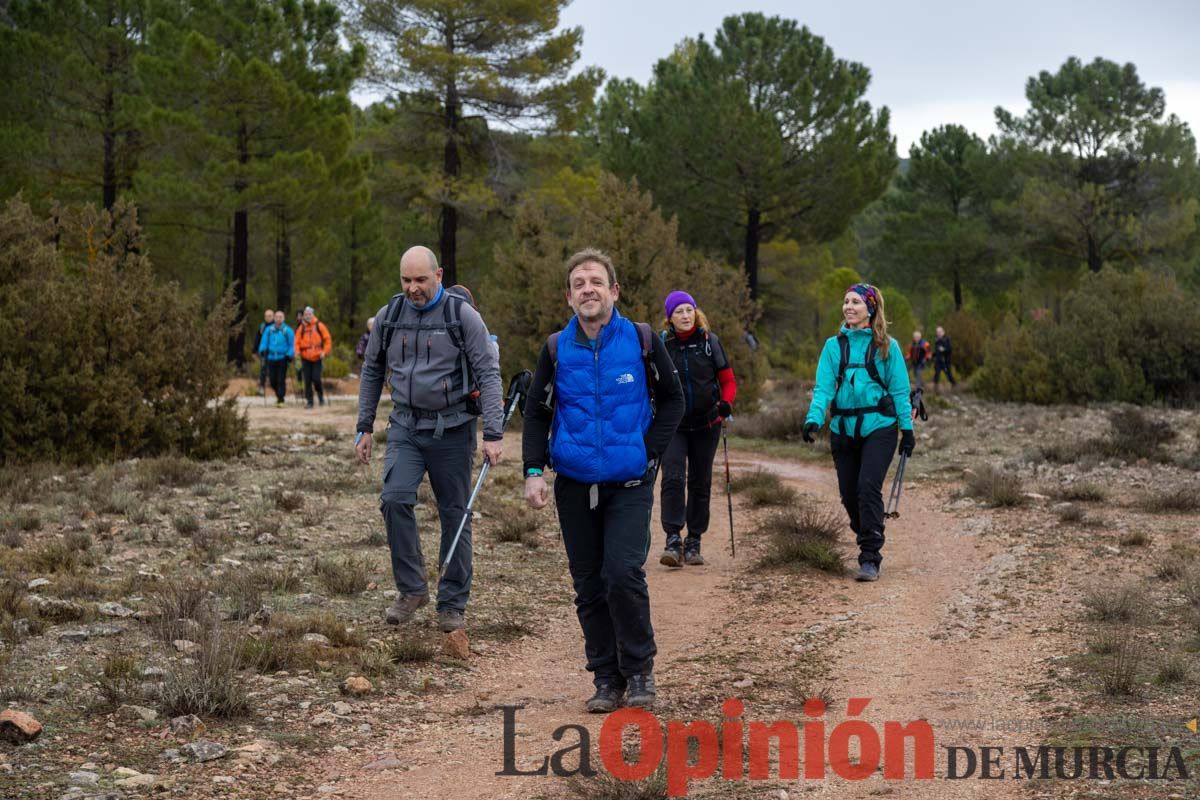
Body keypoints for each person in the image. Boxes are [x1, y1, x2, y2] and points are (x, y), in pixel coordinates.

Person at [522, 249, 685, 713]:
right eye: (578, 284)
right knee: (589, 584)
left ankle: (639, 672)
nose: (587, 289)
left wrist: (647, 451)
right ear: (569, 297)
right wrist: (533, 471)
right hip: (573, 483)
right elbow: (536, 413)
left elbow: (673, 401)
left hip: (629, 482)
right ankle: (606, 679)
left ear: (614, 290)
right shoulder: (556, 348)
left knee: (623, 573)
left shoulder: (642, 339)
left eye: (596, 281)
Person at [354, 246, 503, 634]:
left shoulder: (461, 316)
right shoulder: (390, 315)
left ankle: (452, 604)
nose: (413, 288)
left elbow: (488, 373)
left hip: (452, 429)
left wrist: (493, 432)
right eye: (406, 280)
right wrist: (364, 426)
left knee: (455, 513)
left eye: (421, 280)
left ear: (438, 275)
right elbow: (372, 371)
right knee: (394, 500)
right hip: (405, 426)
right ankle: (412, 590)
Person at [802, 284, 914, 582]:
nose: (848, 307)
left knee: (867, 487)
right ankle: (868, 527)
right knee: (849, 495)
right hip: (843, 429)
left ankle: (869, 557)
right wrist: (814, 419)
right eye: (846, 301)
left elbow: (900, 391)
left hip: (880, 427)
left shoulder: (887, 346)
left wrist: (907, 429)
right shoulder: (833, 346)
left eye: (855, 302)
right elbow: (824, 388)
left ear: (871, 308)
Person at [657, 291, 737, 568]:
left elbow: (728, 380)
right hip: (673, 426)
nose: (685, 315)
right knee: (673, 479)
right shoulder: (662, 345)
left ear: (696, 312)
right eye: (679, 311)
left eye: (689, 310)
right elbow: (650, 384)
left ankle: (694, 542)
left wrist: (726, 403)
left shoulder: (709, 342)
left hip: (707, 424)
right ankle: (671, 539)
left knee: (700, 483)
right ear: (670, 317)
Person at [296, 306, 333, 408]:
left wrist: (324, 352)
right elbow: (296, 342)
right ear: (303, 316)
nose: (307, 316)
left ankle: (320, 397)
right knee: (307, 380)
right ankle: (310, 401)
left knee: (316, 378)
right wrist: (297, 352)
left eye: (309, 314)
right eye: (305, 314)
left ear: (313, 315)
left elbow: (327, 340)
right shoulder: (301, 328)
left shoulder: (319, 326)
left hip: (317, 357)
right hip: (305, 357)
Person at [258, 310, 295, 406]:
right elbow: (264, 341)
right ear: (274, 318)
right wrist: (262, 350)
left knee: (281, 379)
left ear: (284, 318)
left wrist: (289, 354)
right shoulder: (269, 330)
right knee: (272, 380)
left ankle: (281, 399)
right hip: (271, 357)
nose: (278, 319)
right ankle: (279, 395)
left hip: (283, 358)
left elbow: (292, 345)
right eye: (277, 317)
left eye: (280, 317)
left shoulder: (288, 330)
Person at [253, 308, 273, 395]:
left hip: (274, 351)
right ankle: (262, 386)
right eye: (266, 316)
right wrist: (254, 350)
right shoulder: (262, 326)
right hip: (264, 351)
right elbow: (257, 338)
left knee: (273, 368)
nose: (268, 317)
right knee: (263, 368)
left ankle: (273, 385)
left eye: (270, 316)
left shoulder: (276, 326)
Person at [933, 325, 956, 390]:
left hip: (946, 360)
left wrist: (944, 349)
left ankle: (954, 384)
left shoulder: (947, 339)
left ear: (943, 332)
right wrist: (932, 355)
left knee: (948, 373)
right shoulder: (936, 340)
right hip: (938, 360)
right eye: (937, 332)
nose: (938, 333)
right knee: (937, 373)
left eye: (940, 332)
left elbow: (950, 349)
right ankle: (935, 387)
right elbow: (936, 350)